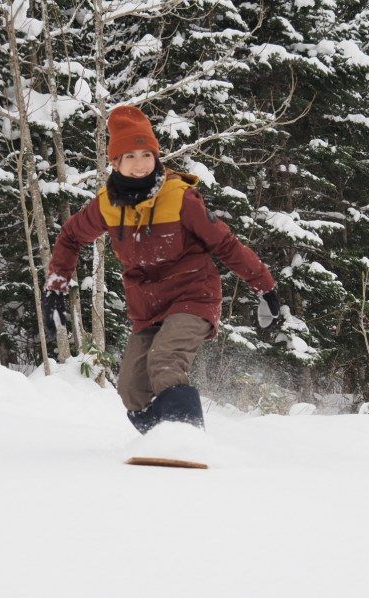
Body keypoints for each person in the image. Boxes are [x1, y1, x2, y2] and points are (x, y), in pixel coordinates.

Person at [44, 105, 280, 433]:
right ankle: (161, 444)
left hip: (193, 294)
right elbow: (70, 236)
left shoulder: (180, 197)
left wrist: (264, 286)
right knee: (131, 387)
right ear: (115, 162)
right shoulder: (106, 205)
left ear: (156, 157)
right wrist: (56, 287)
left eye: (146, 155)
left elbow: (225, 243)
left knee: (165, 362)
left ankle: (184, 439)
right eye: (130, 156)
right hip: (148, 308)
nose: (140, 164)